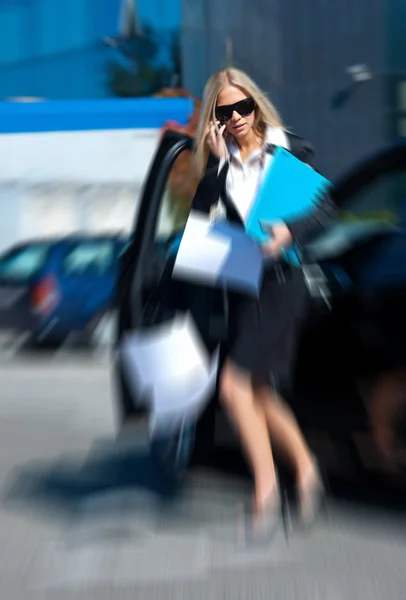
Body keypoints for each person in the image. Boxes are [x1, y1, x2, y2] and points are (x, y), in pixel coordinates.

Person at [191, 68, 336, 535]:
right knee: (259, 393)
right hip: (240, 285)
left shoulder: (288, 149)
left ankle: (266, 495)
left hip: (279, 283)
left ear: (256, 104)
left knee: (233, 389)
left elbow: (326, 208)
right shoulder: (220, 162)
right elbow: (200, 219)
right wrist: (215, 166)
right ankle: (308, 471)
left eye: (242, 106)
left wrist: (290, 232)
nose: (235, 117)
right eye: (224, 110)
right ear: (214, 117)